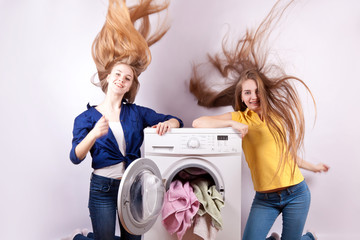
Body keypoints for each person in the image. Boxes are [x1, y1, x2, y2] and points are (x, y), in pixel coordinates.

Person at [189, 0, 329, 239]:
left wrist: (313, 166)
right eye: (247, 93)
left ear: (262, 92)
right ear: (241, 96)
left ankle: (310, 237)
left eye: (256, 91)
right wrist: (233, 124)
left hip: (296, 193)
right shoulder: (240, 117)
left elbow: (286, 154)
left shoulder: (277, 117)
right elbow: (198, 123)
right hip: (265, 198)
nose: (253, 97)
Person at [68, 0, 183, 239]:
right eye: (117, 74)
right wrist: (93, 134)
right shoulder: (86, 118)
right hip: (102, 189)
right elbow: (75, 157)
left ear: (131, 85)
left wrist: (167, 124)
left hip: (134, 188)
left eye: (127, 78)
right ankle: (79, 237)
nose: (121, 79)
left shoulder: (137, 113)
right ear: (108, 77)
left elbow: (176, 120)